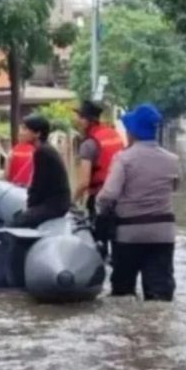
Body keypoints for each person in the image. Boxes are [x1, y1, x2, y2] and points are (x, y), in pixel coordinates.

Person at [95, 103, 181, 302]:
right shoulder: (172, 159)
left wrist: (101, 211)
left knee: (123, 293)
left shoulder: (124, 159)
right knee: (160, 295)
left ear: (132, 132)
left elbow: (108, 195)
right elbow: (175, 187)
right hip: (163, 233)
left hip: (129, 234)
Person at [73, 99, 125, 256]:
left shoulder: (88, 145)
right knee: (118, 246)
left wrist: (72, 202)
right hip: (121, 199)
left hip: (99, 200)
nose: (76, 121)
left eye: (79, 117)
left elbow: (83, 183)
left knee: (98, 248)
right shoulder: (114, 135)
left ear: (86, 121)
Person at [12, 115, 71, 228]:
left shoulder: (43, 152)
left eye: (25, 129)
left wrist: (30, 207)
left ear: (37, 133)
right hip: (55, 203)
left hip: (54, 205)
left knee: (16, 223)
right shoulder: (45, 149)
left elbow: (39, 184)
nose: (21, 133)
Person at [5, 123, 36, 188]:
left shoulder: (33, 150)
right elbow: (8, 164)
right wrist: (7, 177)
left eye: (23, 136)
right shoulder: (14, 149)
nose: (21, 138)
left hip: (27, 183)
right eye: (19, 135)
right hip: (14, 182)